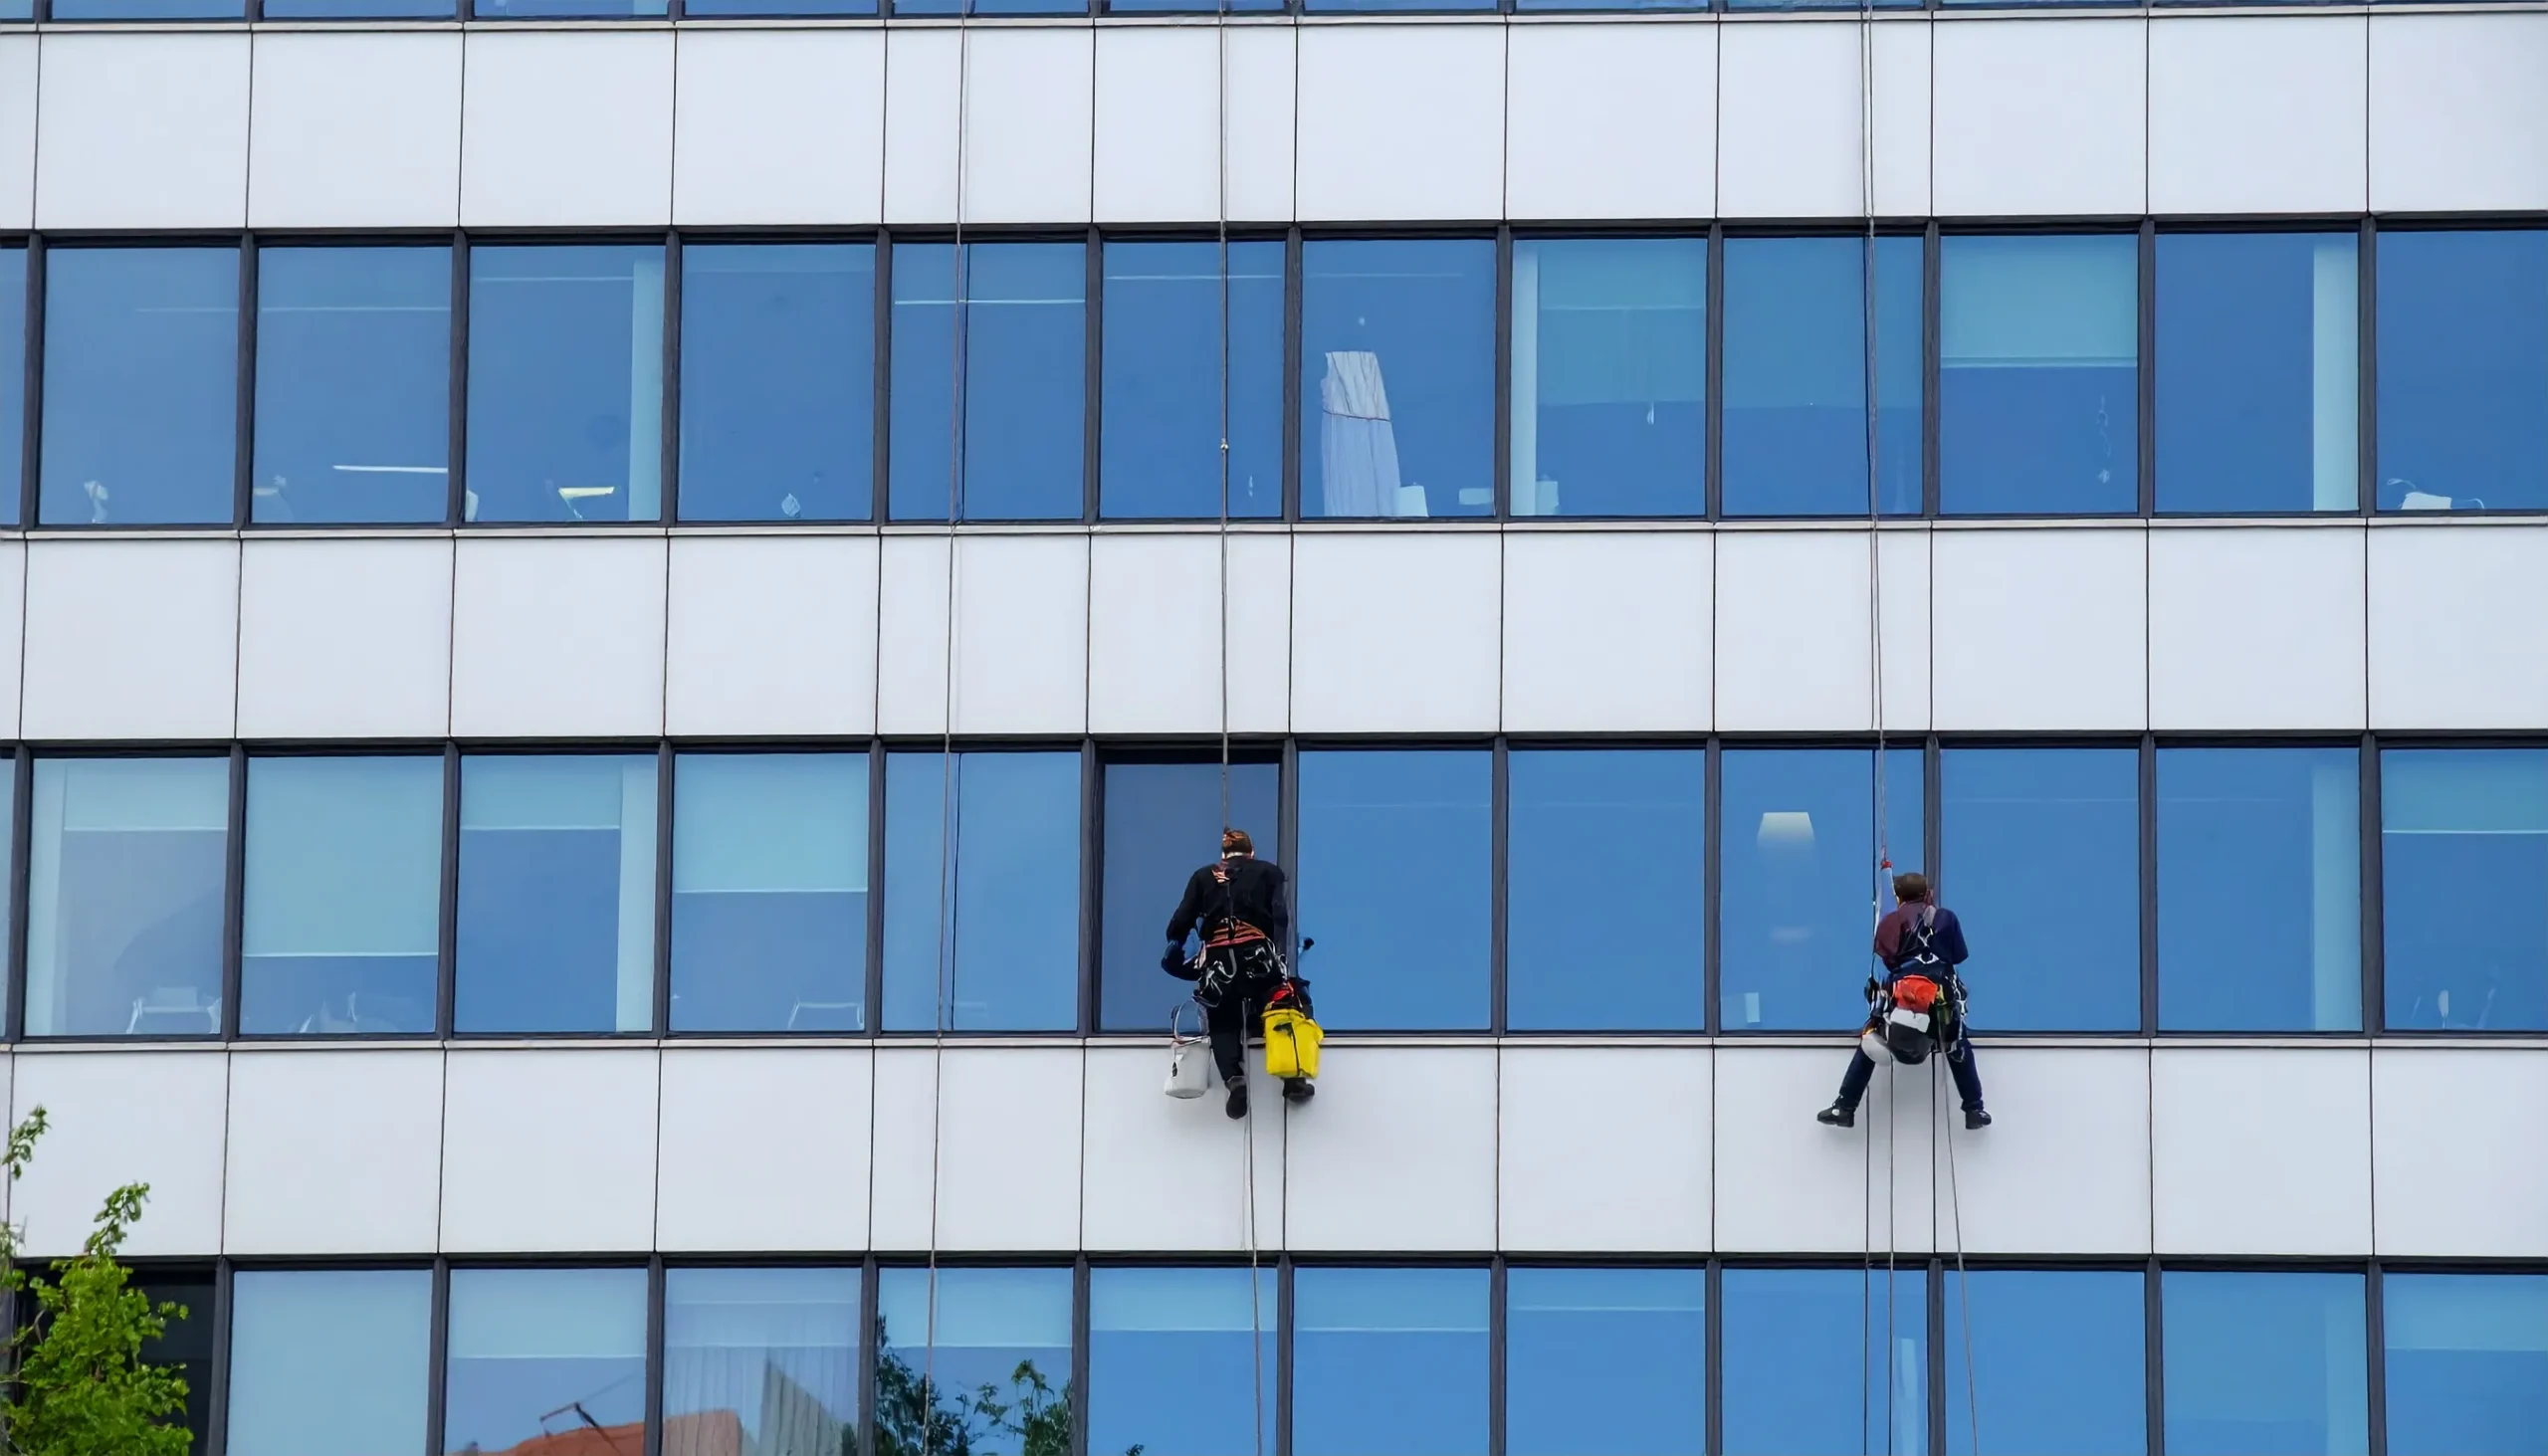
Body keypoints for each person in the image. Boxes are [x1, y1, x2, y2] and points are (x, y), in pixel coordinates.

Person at [1817, 872, 1991, 1131]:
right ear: (1926, 892)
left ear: (1899, 896)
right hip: (1940, 1000)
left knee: (1870, 1041)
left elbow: (1886, 960)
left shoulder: (1891, 921)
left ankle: (1844, 1106)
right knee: (1958, 1045)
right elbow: (1957, 956)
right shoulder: (1945, 918)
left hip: (1905, 1001)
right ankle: (1975, 1110)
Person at [1164, 828, 1311, 1120]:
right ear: (1251, 852)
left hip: (1219, 960)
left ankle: (1235, 1081)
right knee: (1284, 1005)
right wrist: (1283, 954)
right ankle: (1293, 1082)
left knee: (1221, 1016)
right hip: (1257, 954)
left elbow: (1181, 920)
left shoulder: (1203, 876)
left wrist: (1175, 945)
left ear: (1223, 856)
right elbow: (1280, 915)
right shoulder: (1269, 872)